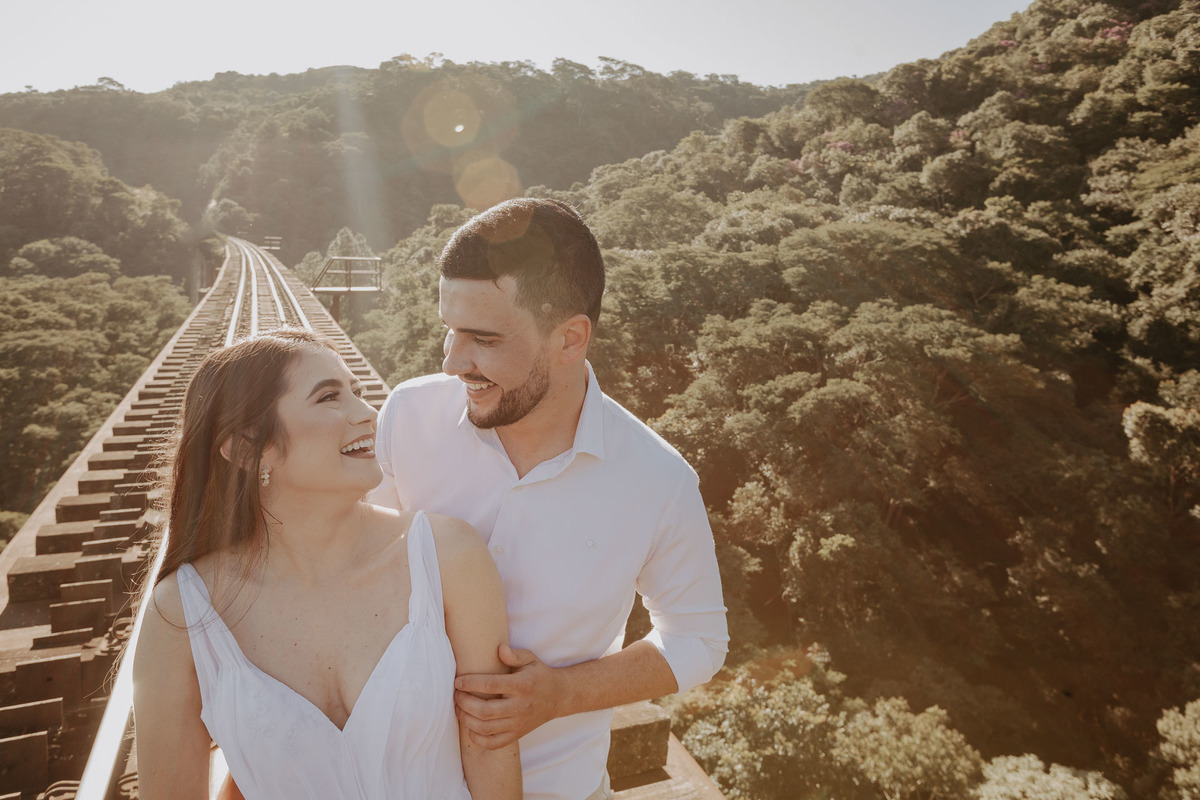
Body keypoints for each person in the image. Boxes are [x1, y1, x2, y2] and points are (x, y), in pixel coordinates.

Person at [369, 197, 729, 800]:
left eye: (483, 338)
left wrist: (563, 694)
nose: (454, 362)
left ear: (570, 338)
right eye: (450, 331)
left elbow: (699, 639)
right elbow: (353, 571)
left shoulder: (658, 479)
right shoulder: (407, 414)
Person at [131, 329, 521, 800]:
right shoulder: (181, 614)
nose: (367, 413)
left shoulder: (447, 556)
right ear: (247, 447)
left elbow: (489, 753)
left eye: (356, 391)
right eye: (330, 397)